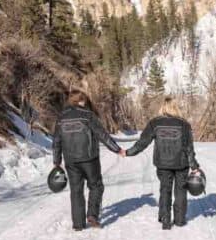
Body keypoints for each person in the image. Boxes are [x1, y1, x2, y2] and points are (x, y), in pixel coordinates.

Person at [52, 90, 125, 231]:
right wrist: (117, 149)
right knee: (96, 186)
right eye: (83, 100)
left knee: (76, 191)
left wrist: (56, 160)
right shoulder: (88, 115)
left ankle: (78, 224)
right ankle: (92, 215)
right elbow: (102, 135)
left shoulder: (61, 118)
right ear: (81, 101)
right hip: (89, 159)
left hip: (71, 161)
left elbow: (56, 141)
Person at [126, 97, 199, 230]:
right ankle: (180, 220)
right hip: (181, 163)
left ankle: (166, 219)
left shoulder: (155, 123)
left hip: (163, 163)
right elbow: (189, 147)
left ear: (163, 107)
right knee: (181, 190)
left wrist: (128, 152)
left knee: (165, 189)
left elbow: (142, 142)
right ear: (176, 108)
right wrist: (194, 165)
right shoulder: (184, 124)